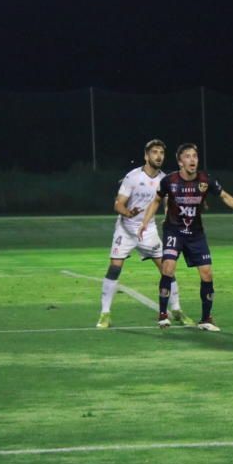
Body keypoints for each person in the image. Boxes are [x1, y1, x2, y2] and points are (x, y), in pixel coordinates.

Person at [139, 143, 233, 331]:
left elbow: (225, 197)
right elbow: (157, 200)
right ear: (180, 161)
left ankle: (206, 319)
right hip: (174, 231)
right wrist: (144, 222)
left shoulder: (205, 180)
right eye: (188, 156)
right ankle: (163, 315)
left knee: (207, 273)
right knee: (168, 268)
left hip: (195, 233)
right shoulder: (169, 181)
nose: (192, 160)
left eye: (195, 156)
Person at [97, 139, 186, 329]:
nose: (158, 156)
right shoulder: (133, 177)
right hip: (126, 229)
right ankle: (105, 314)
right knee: (114, 267)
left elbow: (167, 201)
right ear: (146, 156)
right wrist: (128, 213)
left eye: (161, 152)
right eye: (154, 152)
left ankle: (177, 310)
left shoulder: (165, 179)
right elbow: (118, 204)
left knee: (167, 269)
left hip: (148, 230)